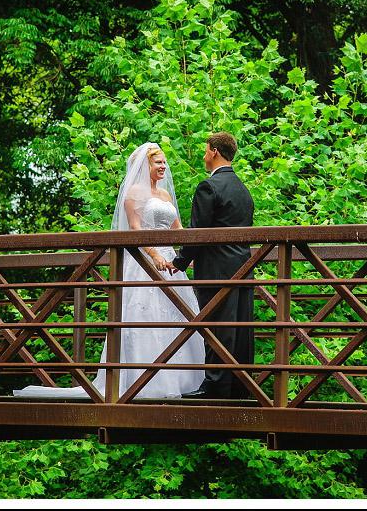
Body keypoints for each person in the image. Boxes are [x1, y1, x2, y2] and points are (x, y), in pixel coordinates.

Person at [14, 142, 205, 399]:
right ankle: (144, 381)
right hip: (146, 263)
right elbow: (135, 229)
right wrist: (154, 254)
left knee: (179, 317)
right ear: (146, 165)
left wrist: (191, 254)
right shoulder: (134, 193)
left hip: (171, 264)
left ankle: (183, 381)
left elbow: (177, 230)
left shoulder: (166, 196)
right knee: (145, 317)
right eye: (158, 162)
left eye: (164, 162)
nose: (163, 166)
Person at [172, 132, 255, 399]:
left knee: (216, 325)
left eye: (206, 150)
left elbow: (198, 232)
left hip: (216, 267)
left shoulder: (209, 187)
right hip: (242, 265)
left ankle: (216, 387)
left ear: (215, 152)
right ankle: (241, 386)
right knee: (241, 324)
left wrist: (180, 261)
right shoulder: (243, 189)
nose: (204, 155)